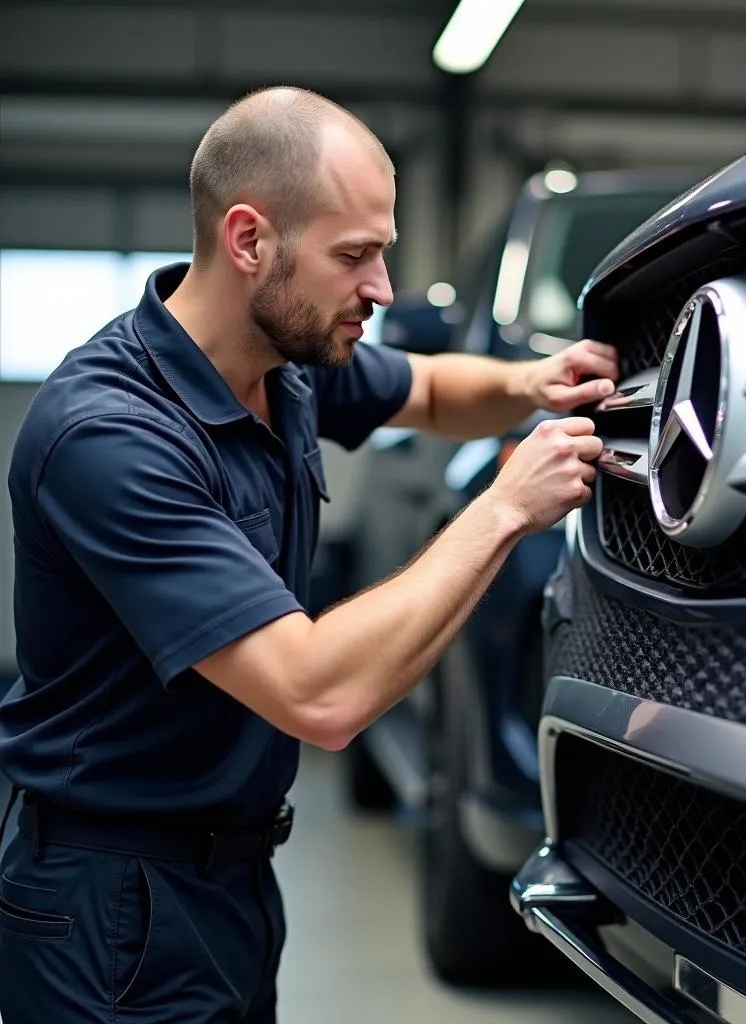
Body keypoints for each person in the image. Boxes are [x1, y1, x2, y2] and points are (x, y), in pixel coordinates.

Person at [0, 87, 617, 1023]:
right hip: (111, 909)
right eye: (355, 255)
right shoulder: (109, 436)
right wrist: (502, 510)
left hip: (230, 882)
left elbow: (436, 390)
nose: (380, 288)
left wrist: (532, 382)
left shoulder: (277, 362)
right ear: (250, 242)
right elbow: (318, 695)